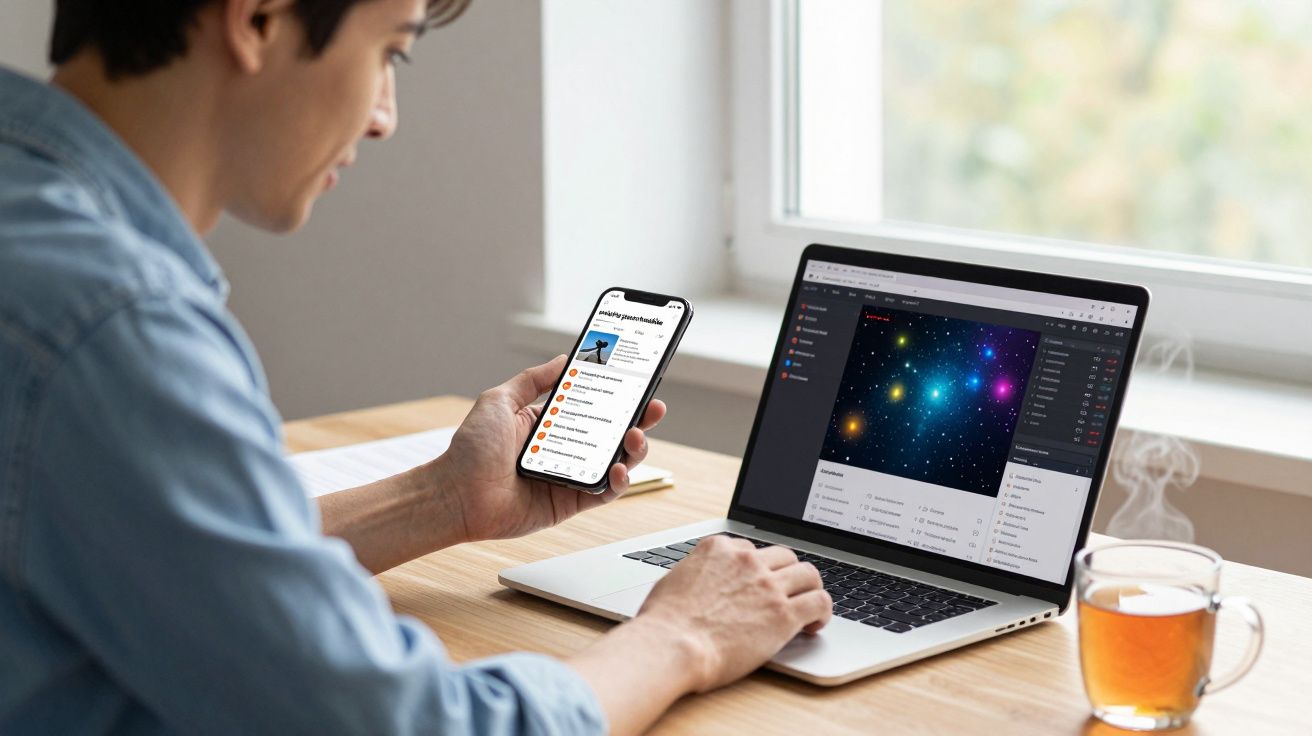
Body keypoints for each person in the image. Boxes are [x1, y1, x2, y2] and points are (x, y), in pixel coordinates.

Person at [0, 1, 832, 733]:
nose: (384, 117)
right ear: (256, 18)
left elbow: (164, 554)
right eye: (391, 51)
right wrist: (681, 636)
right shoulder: (114, 327)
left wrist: (441, 500)